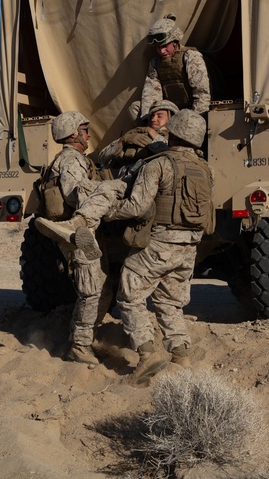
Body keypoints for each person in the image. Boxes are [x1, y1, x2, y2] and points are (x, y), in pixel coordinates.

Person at [106, 109, 213, 379]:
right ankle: (181, 354)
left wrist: (108, 211)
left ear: (173, 134)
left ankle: (146, 354)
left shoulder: (159, 164)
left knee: (129, 293)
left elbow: (137, 206)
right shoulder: (205, 169)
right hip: (189, 247)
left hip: (160, 242)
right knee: (169, 301)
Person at [35, 100, 178, 262]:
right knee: (101, 189)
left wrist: (153, 135)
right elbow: (103, 157)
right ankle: (83, 227)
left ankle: (81, 226)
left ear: (172, 119)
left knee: (108, 192)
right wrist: (124, 140)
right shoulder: (136, 133)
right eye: (152, 115)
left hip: (142, 189)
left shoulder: (172, 139)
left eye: (160, 116)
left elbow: (172, 154)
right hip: (124, 186)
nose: (154, 119)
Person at [34, 110, 108, 365]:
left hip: (77, 232)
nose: (88, 135)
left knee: (97, 283)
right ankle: (79, 345)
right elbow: (74, 193)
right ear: (75, 133)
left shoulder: (68, 159)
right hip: (76, 232)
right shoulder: (72, 160)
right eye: (85, 130)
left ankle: (85, 337)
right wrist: (105, 192)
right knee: (91, 289)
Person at [138, 13, 211, 119]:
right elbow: (151, 94)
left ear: (175, 42)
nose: (162, 51)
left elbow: (202, 94)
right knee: (135, 108)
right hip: (171, 111)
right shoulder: (155, 63)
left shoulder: (190, 57)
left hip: (192, 111)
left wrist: (195, 121)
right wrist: (149, 120)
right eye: (158, 47)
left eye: (165, 46)